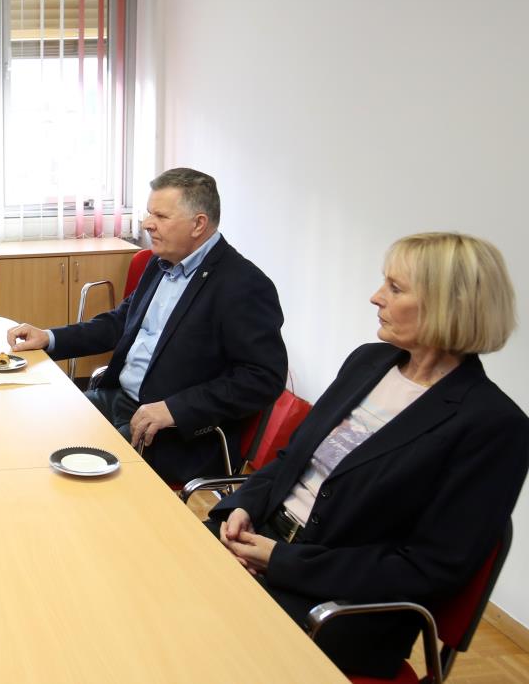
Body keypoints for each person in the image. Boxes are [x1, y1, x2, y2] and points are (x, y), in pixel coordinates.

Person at [209, 232, 529, 678]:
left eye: (395, 288)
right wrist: (241, 508)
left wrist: (280, 562)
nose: (376, 297)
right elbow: (290, 458)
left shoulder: (492, 424)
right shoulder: (368, 361)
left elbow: (428, 568)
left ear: (448, 306)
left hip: (338, 608)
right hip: (261, 541)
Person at [6, 167, 286, 486]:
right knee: (36, 430)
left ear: (198, 224)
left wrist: (175, 409)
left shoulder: (243, 285)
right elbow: (120, 323)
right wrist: (50, 338)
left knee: (68, 473)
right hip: (118, 399)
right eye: (149, 213)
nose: (147, 224)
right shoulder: (160, 262)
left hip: (173, 432)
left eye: (161, 216)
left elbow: (263, 378)